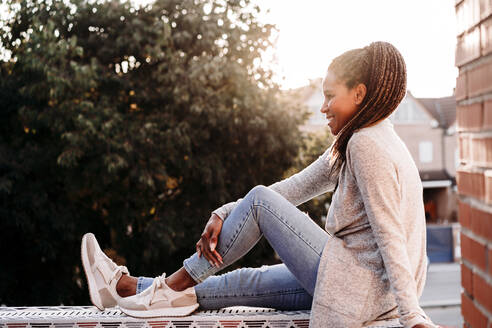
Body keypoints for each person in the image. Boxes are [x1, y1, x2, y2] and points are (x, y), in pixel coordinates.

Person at [81, 41, 438, 328]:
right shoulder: (362, 141)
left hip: (359, 288)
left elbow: (390, 234)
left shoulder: (366, 144)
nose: (323, 107)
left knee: (258, 201)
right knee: (241, 282)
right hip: (352, 285)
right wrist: (223, 212)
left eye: (331, 95)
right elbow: (294, 188)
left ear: (359, 94)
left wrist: (413, 316)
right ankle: (125, 289)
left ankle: (175, 283)